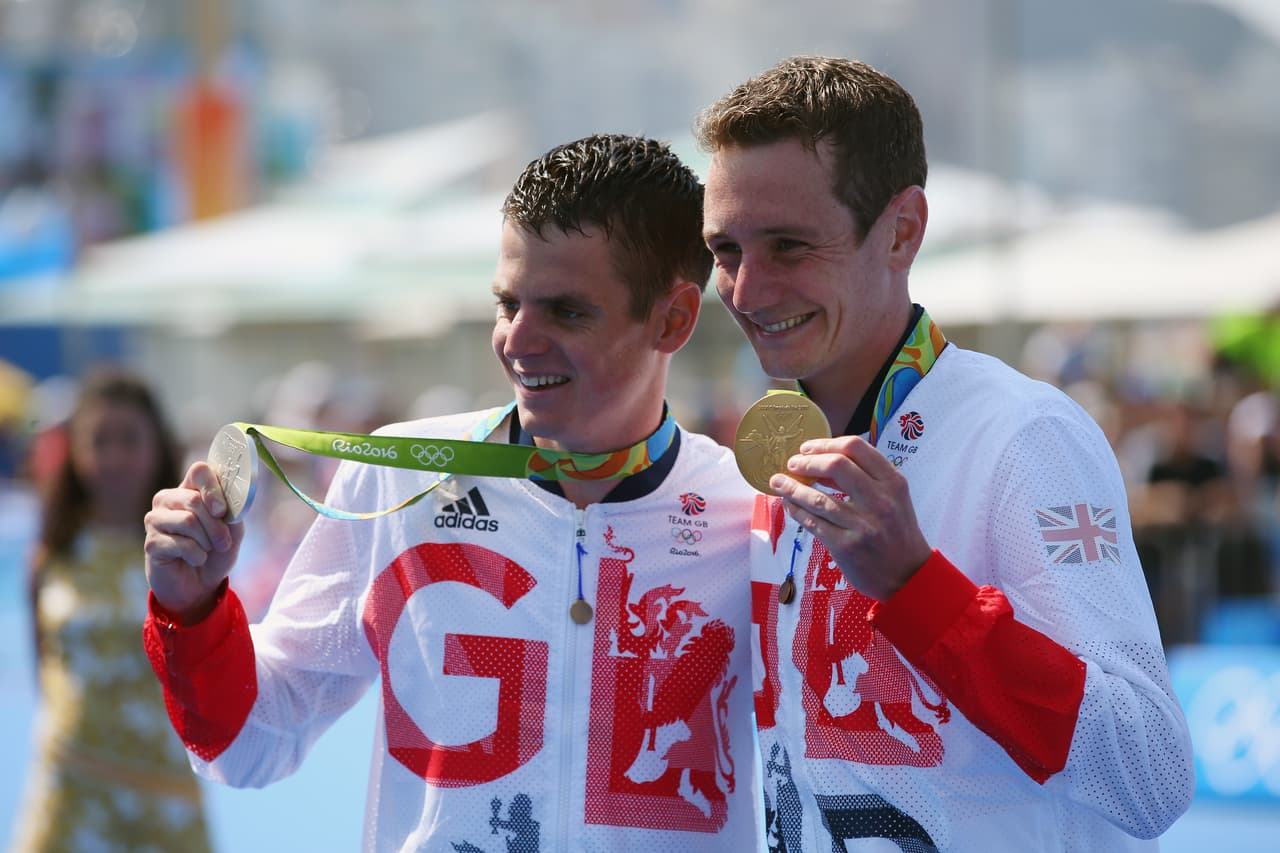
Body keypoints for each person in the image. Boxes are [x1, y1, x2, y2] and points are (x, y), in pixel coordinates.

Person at [141, 134, 759, 851]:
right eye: (507, 303)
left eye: (567, 311)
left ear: (674, 319)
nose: (517, 341)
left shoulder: (753, 509)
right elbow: (248, 743)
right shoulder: (399, 476)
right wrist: (192, 611)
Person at [696, 56, 1194, 851]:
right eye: (725, 251)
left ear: (901, 231)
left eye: (788, 246)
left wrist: (920, 589)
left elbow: (1149, 773)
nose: (747, 291)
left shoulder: (1026, 436)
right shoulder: (772, 457)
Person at [13, 367, 213, 853]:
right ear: (74, 450)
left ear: (158, 446)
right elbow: (45, 669)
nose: (115, 456)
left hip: (162, 787)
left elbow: (210, 667)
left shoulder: (189, 553)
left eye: (130, 439)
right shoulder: (51, 553)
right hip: (69, 783)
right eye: (99, 440)